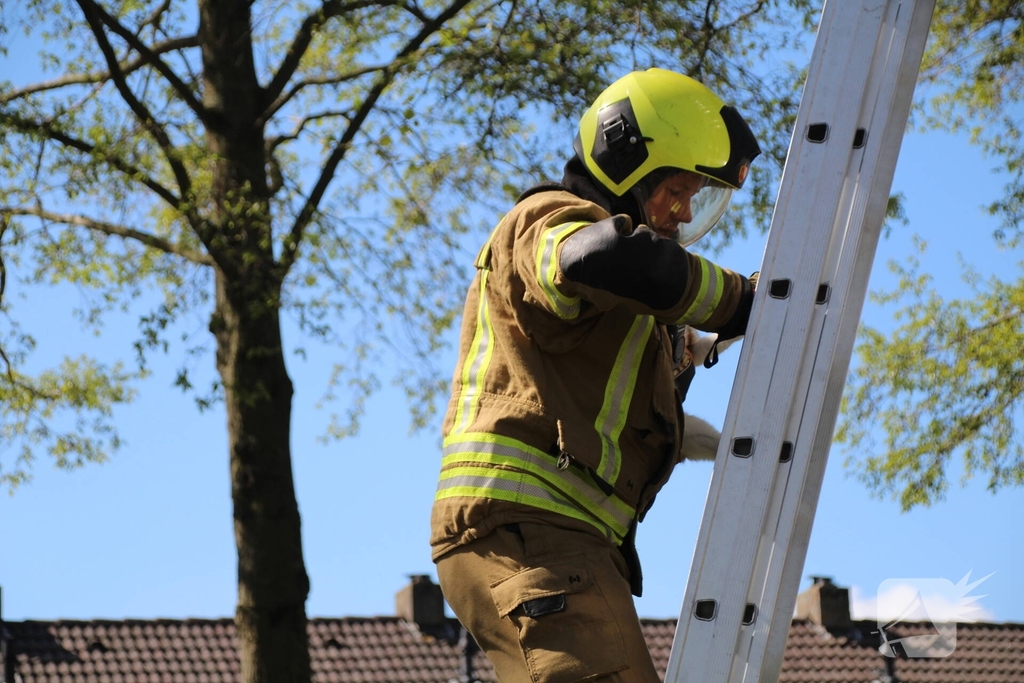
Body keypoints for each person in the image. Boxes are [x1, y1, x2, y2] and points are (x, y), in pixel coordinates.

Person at [430, 68, 761, 683]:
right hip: (531, 534)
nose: (683, 214)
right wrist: (745, 300)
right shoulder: (547, 219)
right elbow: (598, 257)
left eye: (695, 198)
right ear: (626, 166)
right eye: (674, 192)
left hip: (560, 540)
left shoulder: (628, 313)